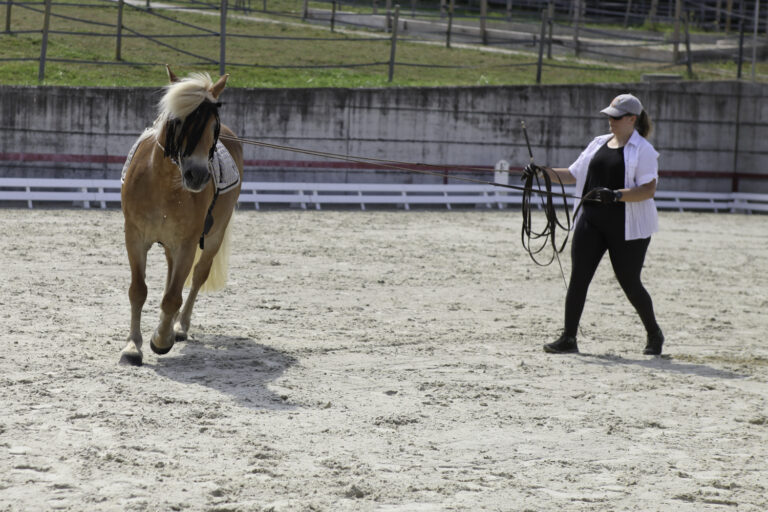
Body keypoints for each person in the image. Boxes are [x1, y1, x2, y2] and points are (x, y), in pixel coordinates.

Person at [523, 93, 664, 355]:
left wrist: (616, 195)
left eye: (616, 117)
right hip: (590, 221)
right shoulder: (598, 143)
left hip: (626, 226)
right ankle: (568, 338)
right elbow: (572, 174)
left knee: (630, 282)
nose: (610, 121)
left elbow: (648, 190)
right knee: (579, 278)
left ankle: (654, 333)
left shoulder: (643, 150)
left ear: (632, 119)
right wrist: (542, 172)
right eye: (609, 116)